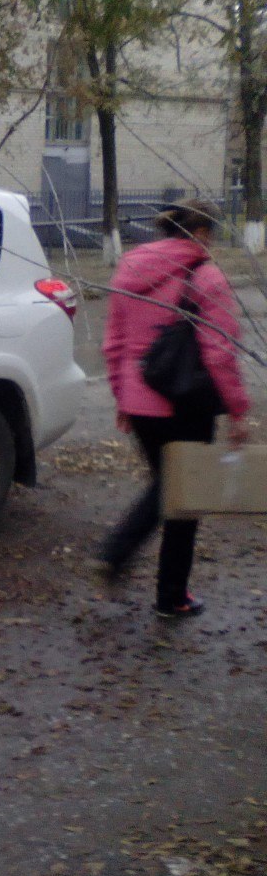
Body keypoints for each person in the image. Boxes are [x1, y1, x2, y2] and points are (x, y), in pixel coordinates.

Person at [97, 199, 251, 618]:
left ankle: (130, 563)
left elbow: (114, 342)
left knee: (169, 486)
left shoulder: (128, 267)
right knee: (182, 496)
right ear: (202, 233)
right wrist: (238, 411)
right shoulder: (207, 276)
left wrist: (122, 396)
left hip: (140, 399)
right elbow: (219, 353)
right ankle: (162, 588)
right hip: (188, 404)